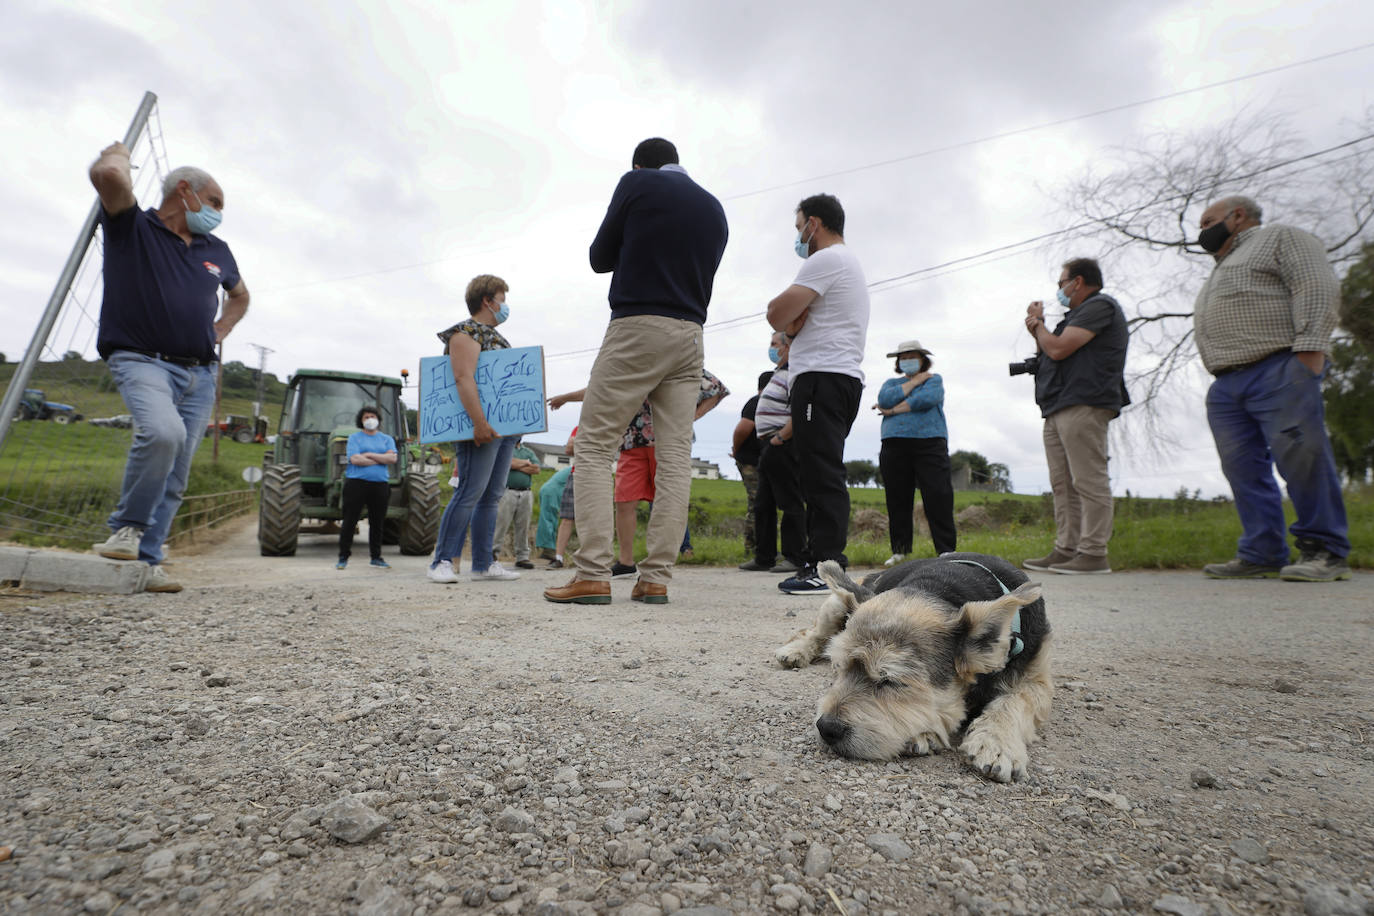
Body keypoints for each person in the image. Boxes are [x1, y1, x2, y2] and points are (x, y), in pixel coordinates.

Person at [544, 138, 728, 606]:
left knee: (593, 445)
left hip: (638, 324)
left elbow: (599, 257)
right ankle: (655, 578)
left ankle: (592, 572)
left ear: (640, 163)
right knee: (673, 458)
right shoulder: (715, 208)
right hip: (691, 335)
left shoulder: (637, 182)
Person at [89, 144, 250, 594]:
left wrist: (221, 329)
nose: (218, 213)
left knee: (177, 473)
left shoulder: (216, 249)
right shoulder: (133, 227)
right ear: (185, 191)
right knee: (163, 434)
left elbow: (240, 296)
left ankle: (147, 560)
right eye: (214, 202)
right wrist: (117, 154)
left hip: (200, 373)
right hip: (141, 359)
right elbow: (109, 177)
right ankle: (127, 528)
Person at [1193, 195, 1350, 582]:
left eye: (1208, 221)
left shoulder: (1279, 237)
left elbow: (1315, 283)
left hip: (1279, 367)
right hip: (1227, 382)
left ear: (1238, 216)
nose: (1202, 231)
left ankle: (1325, 550)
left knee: (1302, 457)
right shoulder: (1221, 266)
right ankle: (1262, 552)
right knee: (1242, 469)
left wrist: (1311, 350)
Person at [765, 193, 870, 595]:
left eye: (798, 228)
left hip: (823, 377)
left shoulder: (825, 259)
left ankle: (826, 568)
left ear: (814, 223)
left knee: (822, 474)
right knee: (818, 471)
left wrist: (788, 326)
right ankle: (818, 560)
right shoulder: (845, 262)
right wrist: (792, 329)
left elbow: (776, 313)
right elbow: (789, 323)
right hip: (834, 377)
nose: (798, 238)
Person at [550, 370, 728, 576]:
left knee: (667, 500)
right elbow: (600, 389)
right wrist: (565, 398)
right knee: (623, 500)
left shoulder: (676, 364)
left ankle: (659, 566)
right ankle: (626, 562)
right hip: (631, 441)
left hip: (669, 443)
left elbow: (716, 388)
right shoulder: (630, 365)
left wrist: (694, 415)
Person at [1021, 257, 1129, 576]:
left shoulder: (1100, 306)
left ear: (1077, 282)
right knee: (1063, 483)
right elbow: (1050, 354)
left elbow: (1058, 349)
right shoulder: (1073, 317)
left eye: (1061, 283)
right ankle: (1067, 549)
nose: (1060, 290)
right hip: (1058, 405)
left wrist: (1038, 325)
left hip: (1085, 402)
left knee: (1088, 478)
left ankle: (1094, 552)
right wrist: (1038, 331)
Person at [428, 274, 522, 584]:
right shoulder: (464, 333)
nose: (504, 305)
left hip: (503, 432)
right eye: (502, 299)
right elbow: (463, 378)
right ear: (488, 301)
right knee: (469, 490)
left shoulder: (498, 340)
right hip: (479, 428)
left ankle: (483, 563)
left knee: (491, 495)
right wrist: (479, 423)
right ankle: (441, 560)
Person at [873, 339, 956, 563]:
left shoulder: (934, 380)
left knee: (938, 494)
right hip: (894, 442)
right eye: (904, 358)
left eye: (913, 357)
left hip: (930, 441)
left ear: (923, 360)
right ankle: (899, 551)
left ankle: (946, 549)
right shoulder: (891, 382)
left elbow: (926, 400)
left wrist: (892, 411)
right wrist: (914, 382)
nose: (908, 361)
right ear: (899, 362)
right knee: (897, 497)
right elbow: (884, 398)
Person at [744, 331, 805, 574]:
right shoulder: (779, 374)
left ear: (788, 346)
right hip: (769, 444)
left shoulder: (794, 373)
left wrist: (782, 436)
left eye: (774, 344)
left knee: (789, 501)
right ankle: (764, 556)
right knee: (763, 504)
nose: (772, 349)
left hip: (782, 444)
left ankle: (795, 556)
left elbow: (799, 410)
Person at [336, 406, 397, 570]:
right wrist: (380, 459)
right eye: (366, 417)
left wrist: (369, 455)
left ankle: (376, 557)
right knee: (349, 520)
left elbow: (392, 458)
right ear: (361, 421)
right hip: (356, 483)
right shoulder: (355, 438)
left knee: (377, 522)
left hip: (380, 485)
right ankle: (343, 557)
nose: (370, 419)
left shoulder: (387, 439)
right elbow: (355, 459)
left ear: (378, 419)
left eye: (372, 416)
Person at [731, 369, 772, 564]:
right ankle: (751, 547)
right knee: (756, 502)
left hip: (761, 460)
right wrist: (737, 450)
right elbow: (742, 429)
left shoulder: (767, 402)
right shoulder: (756, 402)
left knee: (761, 503)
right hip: (750, 460)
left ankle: (759, 547)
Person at [491, 437, 541, 569]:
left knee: (523, 526)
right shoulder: (505, 448)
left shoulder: (528, 451)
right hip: (508, 492)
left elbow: (536, 469)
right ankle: (492, 553)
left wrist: (516, 465)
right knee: (501, 524)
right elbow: (506, 463)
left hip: (526, 493)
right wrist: (525, 463)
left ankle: (522, 557)